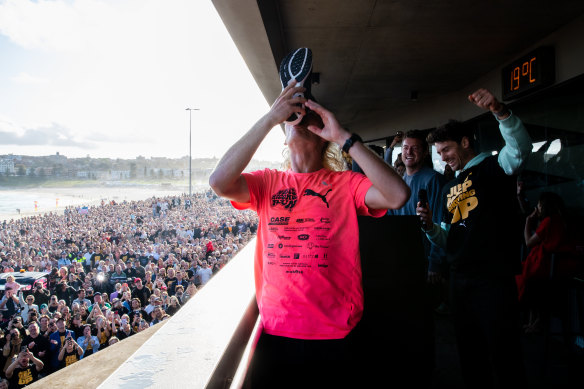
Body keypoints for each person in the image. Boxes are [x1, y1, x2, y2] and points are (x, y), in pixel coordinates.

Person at [209, 73, 409, 387]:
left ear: (323, 134)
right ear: (283, 132)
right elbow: (219, 182)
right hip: (276, 332)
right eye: (292, 118)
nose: (299, 120)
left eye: (308, 117)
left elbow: (398, 196)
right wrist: (269, 118)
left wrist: (345, 136)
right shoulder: (268, 182)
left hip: (335, 333)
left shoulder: (345, 185)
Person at [417, 88, 531, 388]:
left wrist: (499, 111)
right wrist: (430, 227)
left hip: (493, 280)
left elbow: (519, 150)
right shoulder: (452, 184)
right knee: (470, 356)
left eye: (447, 150)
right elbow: (450, 238)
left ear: (465, 142)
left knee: (505, 356)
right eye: (439, 153)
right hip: (459, 280)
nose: (443, 158)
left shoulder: (494, 168)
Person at [387, 129, 448, 283]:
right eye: (406, 148)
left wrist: (435, 263)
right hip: (405, 257)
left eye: (415, 148)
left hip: (427, 260)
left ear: (425, 152)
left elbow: (441, 223)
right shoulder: (400, 181)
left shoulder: (434, 180)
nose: (409, 152)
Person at [516, 192, 578, 333]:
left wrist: (527, 221)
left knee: (525, 280)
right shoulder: (559, 220)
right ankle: (533, 321)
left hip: (547, 267)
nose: (536, 208)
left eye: (538, 204)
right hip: (557, 266)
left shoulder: (549, 221)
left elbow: (528, 242)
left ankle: (536, 321)